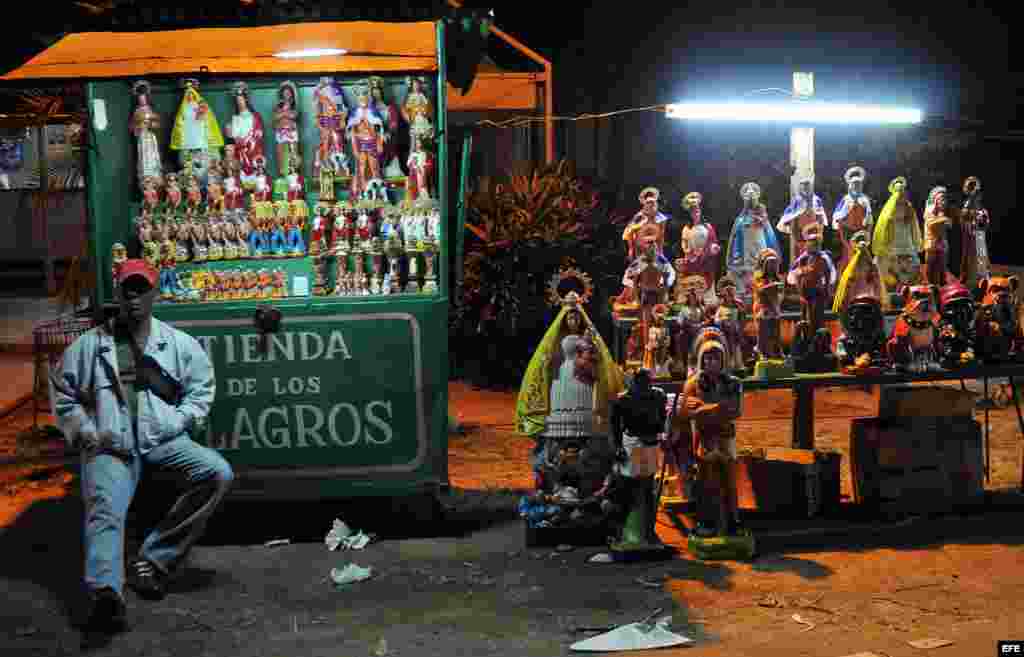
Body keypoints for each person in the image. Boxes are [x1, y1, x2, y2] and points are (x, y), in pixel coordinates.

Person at [50, 259, 232, 633]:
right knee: (105, 508)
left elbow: (201, 391)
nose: (134, 298)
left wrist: (176, 421)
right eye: (127, 289)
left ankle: (153, 558)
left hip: (161, 440)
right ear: (117, 293)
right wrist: (86, 433)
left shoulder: (177, 343)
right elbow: (63, 394)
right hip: (111, 444)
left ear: (155, 294)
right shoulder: (91, 346)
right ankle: (107, 594)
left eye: (141, 289)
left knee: (217, 472)